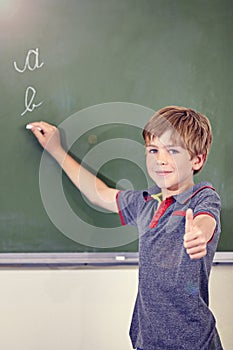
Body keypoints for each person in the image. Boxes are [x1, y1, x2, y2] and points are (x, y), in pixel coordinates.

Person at [27, 106, 223, 349]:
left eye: (172, 151)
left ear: (197, 159)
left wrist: (200, 235)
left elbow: (206, 220)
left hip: (194, 342)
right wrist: (55, 149)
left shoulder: (202, 197)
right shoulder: (146, 203)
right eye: (153, 150)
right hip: (146, 341)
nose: (160, 159)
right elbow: (99, 194)